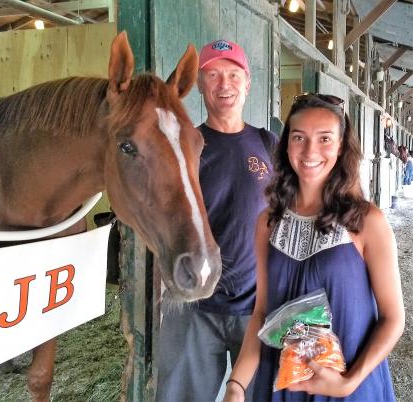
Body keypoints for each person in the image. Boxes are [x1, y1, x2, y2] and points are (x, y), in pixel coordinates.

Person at [223, 94, 405, 402]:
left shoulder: (366, 221)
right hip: (281, 384)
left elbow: (393, 318)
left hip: (349, 387)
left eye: (324, 138)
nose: (310, 151)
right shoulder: (268, 223)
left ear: (341, 147)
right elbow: (262, 313)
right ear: (286, 145)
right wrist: (236, 385)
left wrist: (349, 382)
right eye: (299, 138)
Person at [155, 39, 278, 402]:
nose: (224, 84)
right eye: (212, 74)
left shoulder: (267, 144)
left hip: (257, 306)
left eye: (233, 74)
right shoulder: (185, 147)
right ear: (200, 84)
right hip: (193, 307)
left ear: (247, 82)